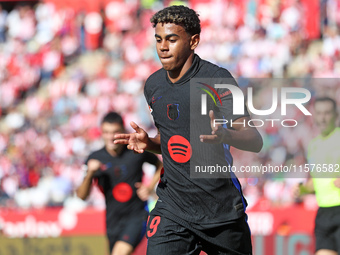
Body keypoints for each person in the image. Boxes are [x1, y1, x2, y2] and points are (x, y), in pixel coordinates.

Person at [114, 5, 263, 255]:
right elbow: (171, 140)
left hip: (220, 210)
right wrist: (149, 142)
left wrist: (226, 135)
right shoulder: (153, 85)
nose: (163, 46)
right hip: (173, 208)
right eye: (159, 39)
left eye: (172, 39)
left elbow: (254, 139)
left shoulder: (218, 79)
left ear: (193, 41)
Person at [76, 111, 163, 255]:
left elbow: (159, 165)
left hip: (137, 215)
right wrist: (90, 173)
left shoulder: (134, 150)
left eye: (115, 132)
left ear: (122, 131)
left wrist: (149, 188)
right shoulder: (95, 157)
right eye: (106, 132)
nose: (110, 137)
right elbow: (81, 196)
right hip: (112, 220)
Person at [296, 97, 340, 255]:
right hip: (323, 213)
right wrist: (302, 190)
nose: (323, 117)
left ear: (336, 114)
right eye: (319, 113)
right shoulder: (313, 145)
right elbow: (318, 182)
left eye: (327, 113)